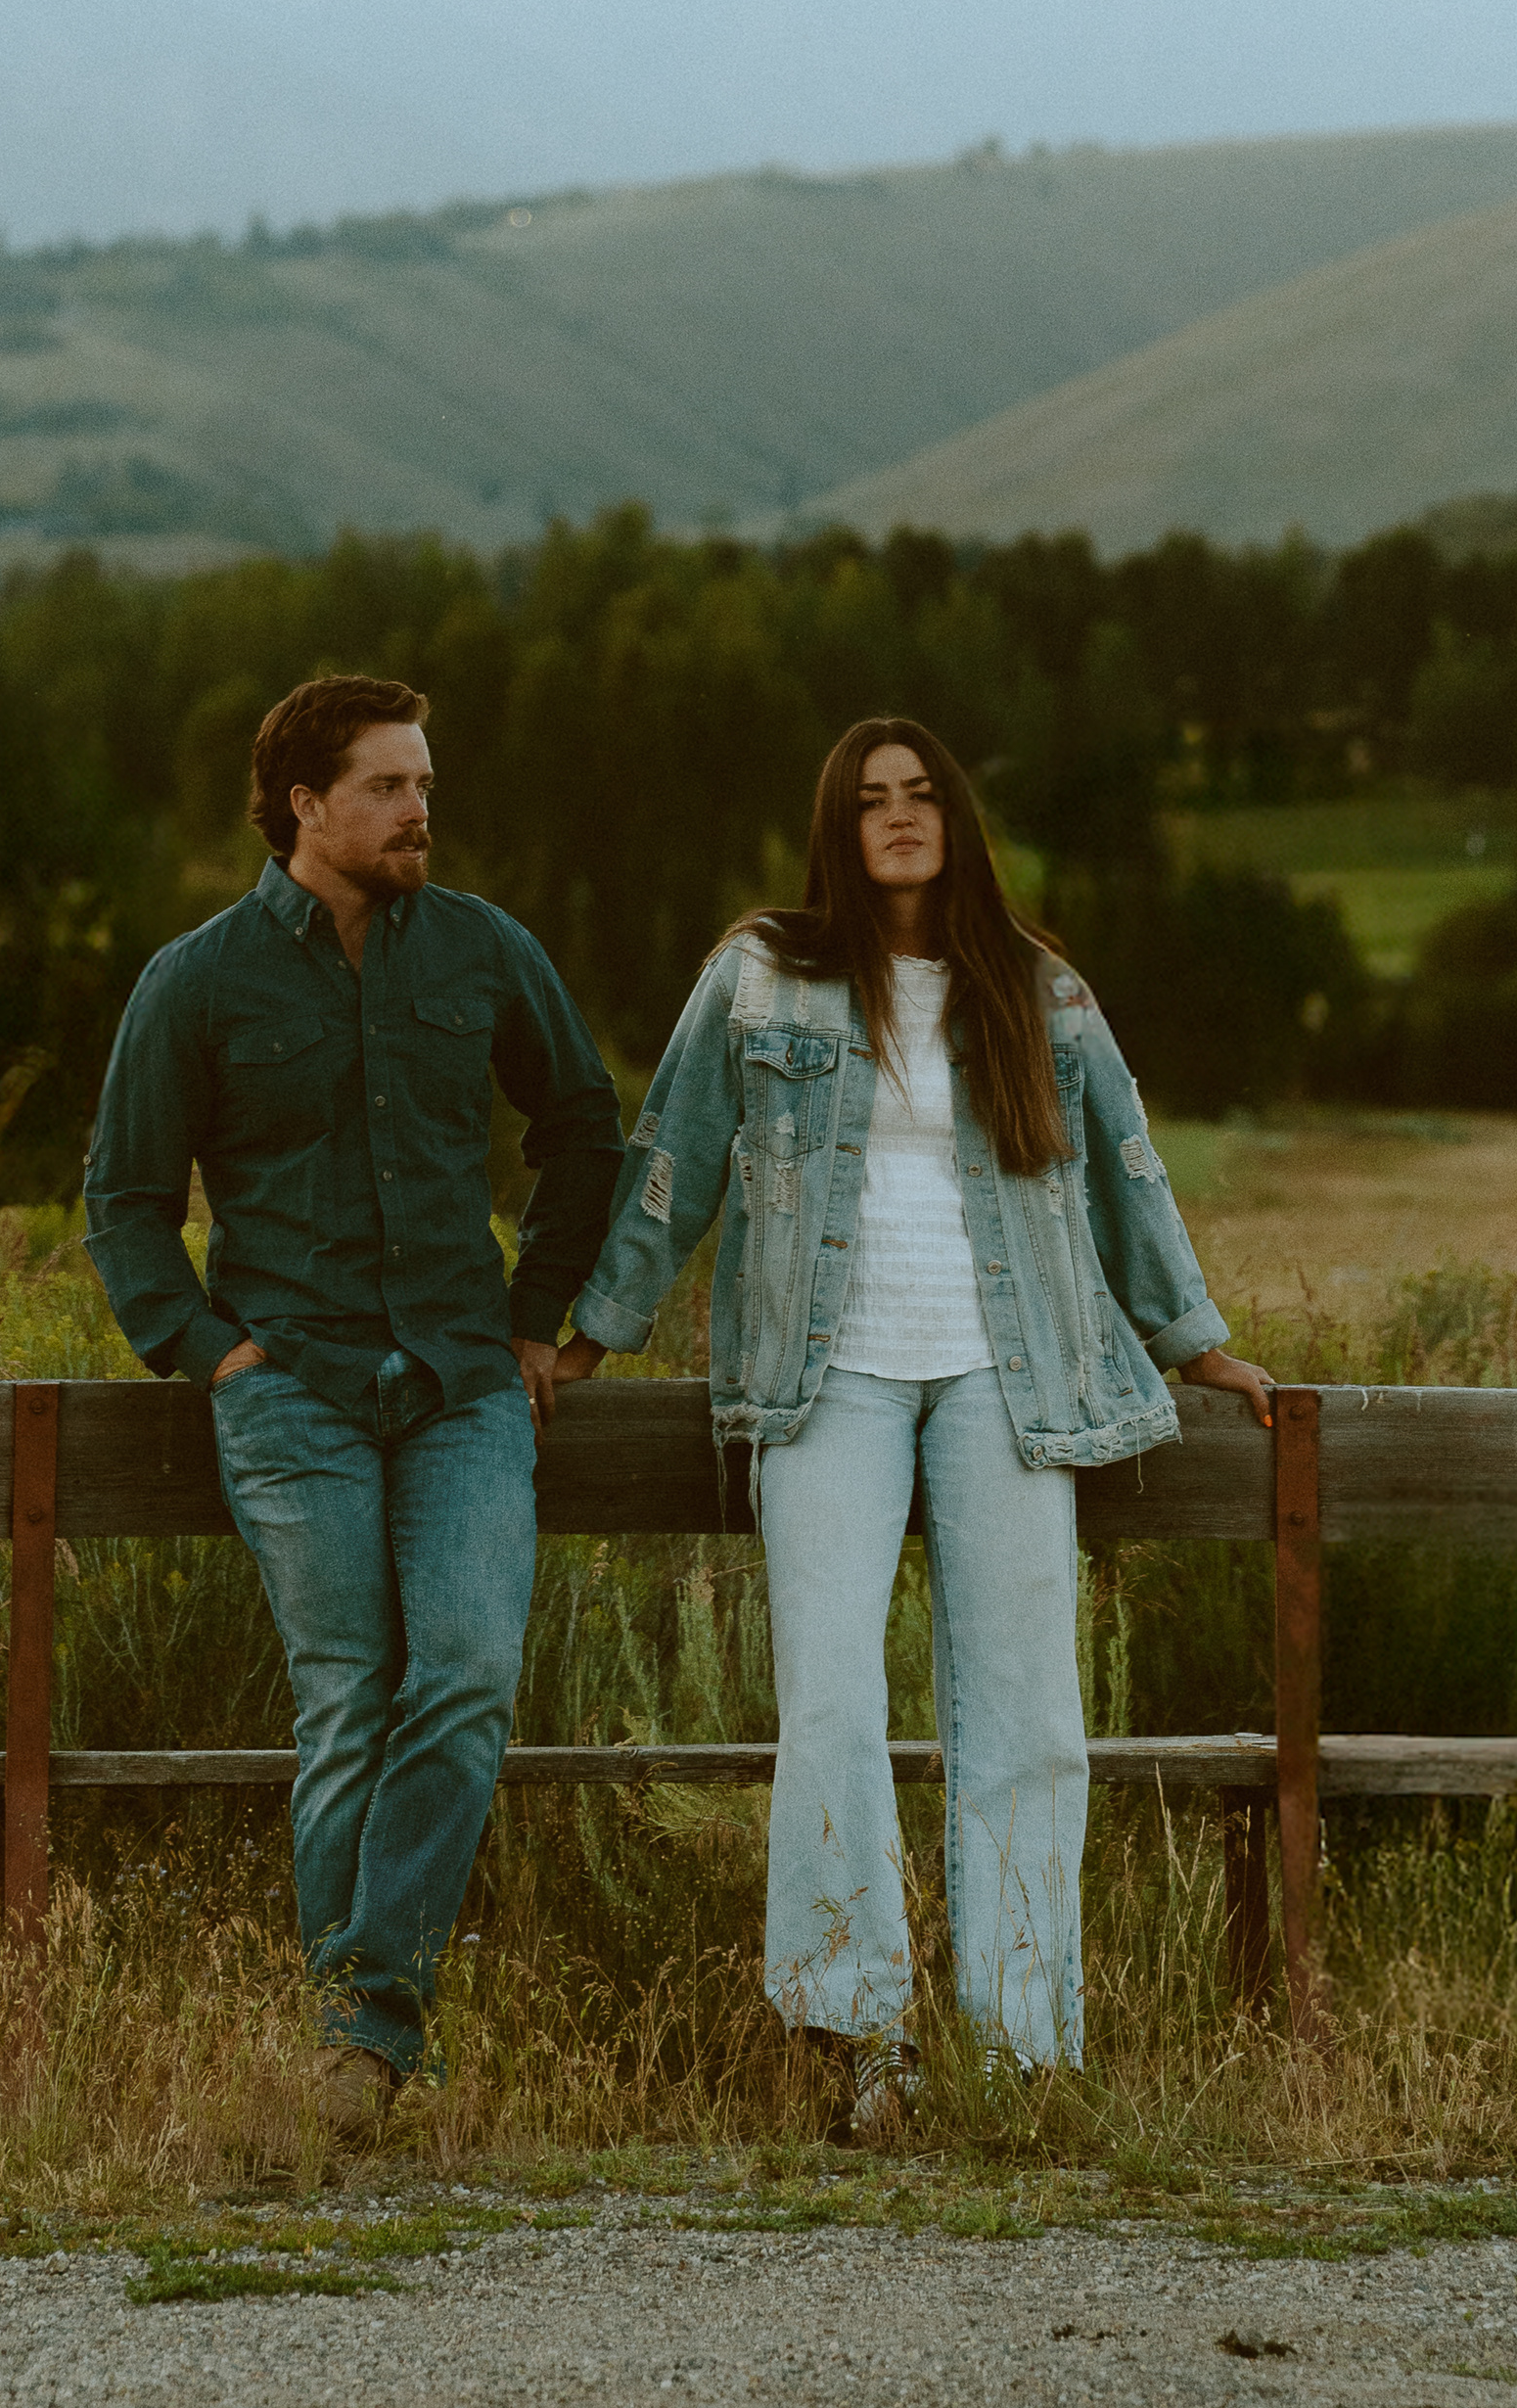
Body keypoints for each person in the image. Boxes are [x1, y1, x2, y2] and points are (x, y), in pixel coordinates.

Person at [553, 712, 1271, 2127]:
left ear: (956, 819)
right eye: (871, 799)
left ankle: (1020, 2055)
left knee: (1029, 1718)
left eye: (921, 794)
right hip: (828, 1385)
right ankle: (863, 2041)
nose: (898, 816)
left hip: (1008, 1381)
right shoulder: (763, 976)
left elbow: (1129, 1169)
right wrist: (592, 1333)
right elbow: (672, 1155)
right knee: (830, 1701)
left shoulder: (1039, 990)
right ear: (838, 824)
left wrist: (1198, 1346)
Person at [83, 670, 622, 2139]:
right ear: (304, 805)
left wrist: (533, 1321)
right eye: (389, 787)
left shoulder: (484, 953)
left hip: (462, 1383)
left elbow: (585, 1127)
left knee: (461, 1678)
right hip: (294, 1391)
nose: (419, 812)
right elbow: (125, 1204)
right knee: (349, 1699)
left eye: (426, 785)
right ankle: (362, 2043)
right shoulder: (196, 981)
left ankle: (355, 2030)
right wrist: (211, 1355)